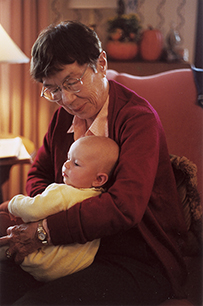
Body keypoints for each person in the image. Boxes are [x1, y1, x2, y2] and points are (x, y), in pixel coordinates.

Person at [0, 21, 188, 306]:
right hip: (69, 249)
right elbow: (38, 173)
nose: (67, 99)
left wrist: (46, 229)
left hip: (137, 256)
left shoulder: (138, 121)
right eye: (53, 90)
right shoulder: (63, 117)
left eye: (72, 83)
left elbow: (124, 207)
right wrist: (46, 211)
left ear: (100, 63)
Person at [0, 136, 119, 282]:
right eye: (68, 158)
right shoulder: (99, 199)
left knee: (7, 236)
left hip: (43, 262)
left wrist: (12, 203)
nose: (66, 165)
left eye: (76, 163)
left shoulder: (64, 192)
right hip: (75, 266)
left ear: (99, 179)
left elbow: (33, 209)